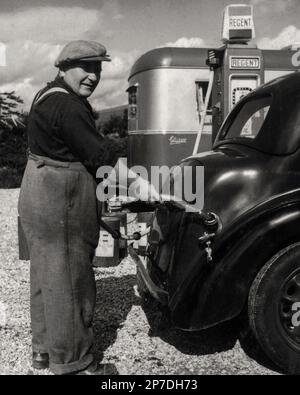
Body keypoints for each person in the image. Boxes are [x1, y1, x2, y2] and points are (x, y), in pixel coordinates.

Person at [18, 40, 118, 375]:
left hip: (39, 190)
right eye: (86, 67)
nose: (93, 76)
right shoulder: (69, 106)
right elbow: (100, 156)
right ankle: (74, 366)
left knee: (47, 274)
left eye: (98, 68)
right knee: (71, 279)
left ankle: (44, 352)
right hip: (61, 198)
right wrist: (143, 184)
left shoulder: (47, 94)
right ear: (64, 67)